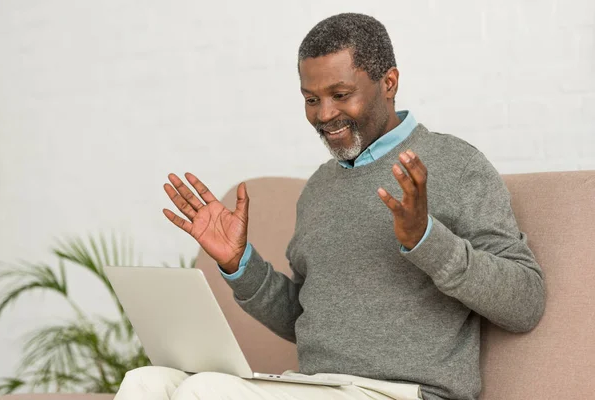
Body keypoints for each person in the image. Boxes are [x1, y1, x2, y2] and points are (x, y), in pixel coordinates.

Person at [115, 13, 545, 400]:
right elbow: (305, 318)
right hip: (318, 387)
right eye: (311, 99)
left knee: (205, 391)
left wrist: (427, 241)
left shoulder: (456, 164)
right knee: (145, 382)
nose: (325, 115)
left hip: (406, 393)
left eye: (341, 94)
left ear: (389, 83)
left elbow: (525, 302)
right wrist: (240, 264)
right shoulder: (320, 187)